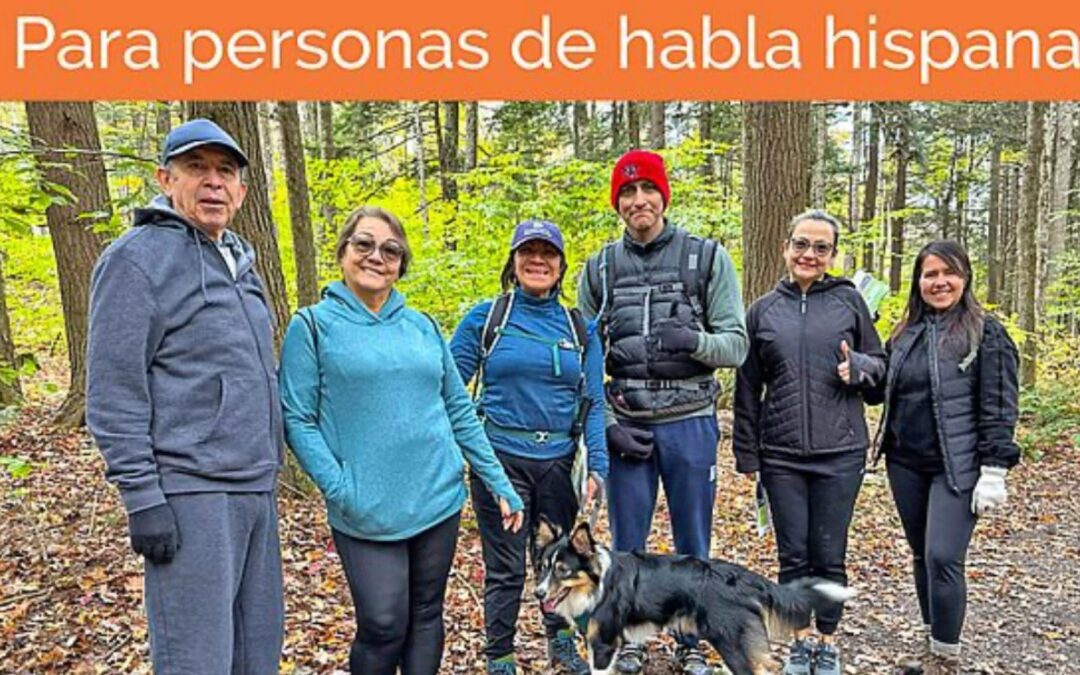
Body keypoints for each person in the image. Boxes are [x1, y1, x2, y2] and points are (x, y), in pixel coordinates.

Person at [279, 206, 525, 675]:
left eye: (390, 250)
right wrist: (339, 487)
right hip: (365, 507)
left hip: (437, 496)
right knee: (383, 622)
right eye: (364, 245)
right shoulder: (312, 326)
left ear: (401, 262)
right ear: (343, 252)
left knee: (427, 615)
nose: (377, 256)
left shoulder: (423, 326)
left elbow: (457, 408)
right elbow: (297, 418)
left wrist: (499, 482)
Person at [86, 119, 284, 673]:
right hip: (191, 492)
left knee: (256, 657)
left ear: (243, 191)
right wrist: (144, 498)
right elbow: (112, 389)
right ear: (165, 179)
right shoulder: (136, 259)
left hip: (255, 487)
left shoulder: (242, 263)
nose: (214, 183)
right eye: (197, 168)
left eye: (226, 172)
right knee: (197, 660)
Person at [578, 150, 749, 674]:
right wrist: (606, 425)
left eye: (646, 190)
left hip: (690, 419)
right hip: (628, 422)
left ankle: (691, 637)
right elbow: (584, 361)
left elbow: (737, 345)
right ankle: (629, 636)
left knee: (692, 542)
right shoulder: (600, 268)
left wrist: (694, 340)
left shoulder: (705, 258)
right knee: (626, 547)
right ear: (618, 204)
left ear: (663, 195)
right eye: (627, 193)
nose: (637, 201)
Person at [450, 220, 608, 675]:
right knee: (504, 567)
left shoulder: (580, 328)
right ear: (513, 261)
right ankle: (499, 656)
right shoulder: (487, 319)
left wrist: (597, 466)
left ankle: (560, 643)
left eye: (548, 253)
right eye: (527, 251)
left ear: (561, 265)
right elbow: (449, 389)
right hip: (499, 462)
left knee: (557, 559)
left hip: (558, 464)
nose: (537, 260)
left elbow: (594, 401)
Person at [733, 210, 887, 675]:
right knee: (793, 553)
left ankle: (827, 641)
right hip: (780, 455)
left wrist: (860, 368)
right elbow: (746, 387)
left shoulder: (849, 302)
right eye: (802, 244)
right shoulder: (762, 309)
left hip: (840, 452)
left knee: (829, 552)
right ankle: (799, 641)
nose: (810, 255)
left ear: (832, 255)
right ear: (786, 247)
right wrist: (747, 453)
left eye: (821, 248)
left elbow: (880, 368)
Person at [866, 240, 1019, 675]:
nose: (939, 282)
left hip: (958, 466)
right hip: (905, 462)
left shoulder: (985, 331)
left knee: (942, 557)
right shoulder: (904, 332)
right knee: (920, 555)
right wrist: (858, 364)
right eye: (930, 274)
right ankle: (933, 640)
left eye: (948, 273)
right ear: (918, 281)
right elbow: (878, 391)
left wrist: (995, 469)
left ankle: (945, 657)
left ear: (965, 277)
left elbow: (999, 403)